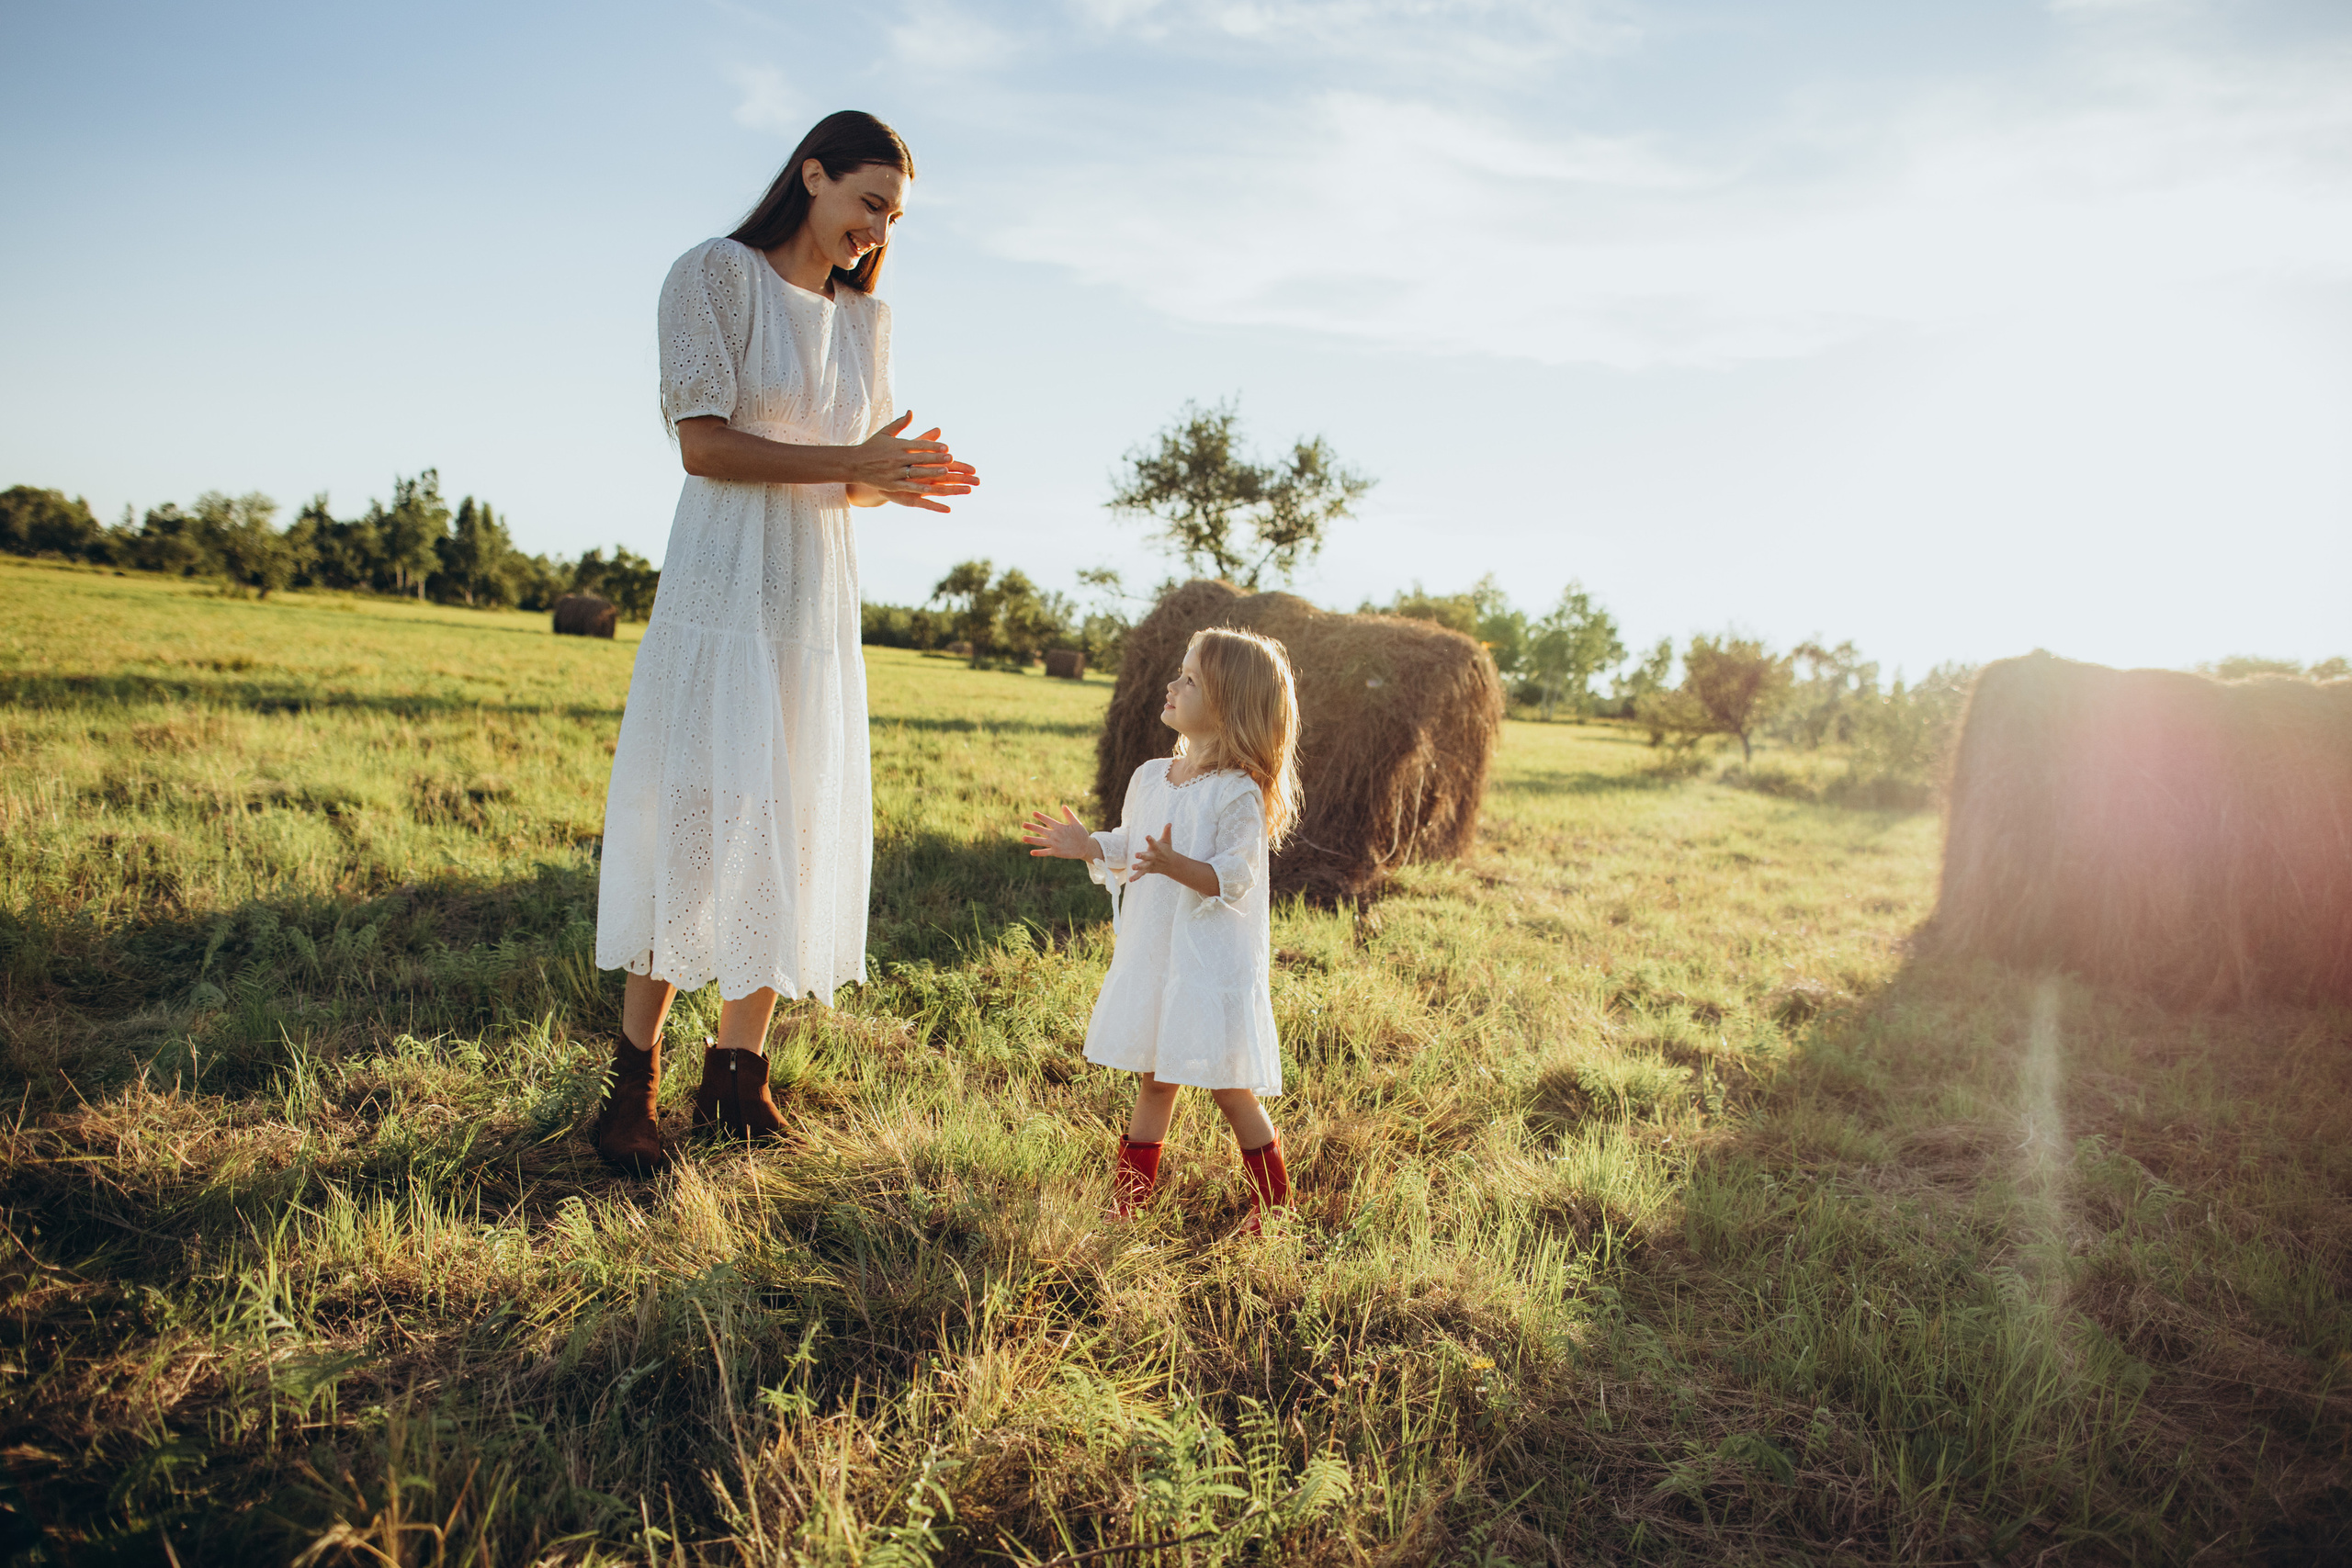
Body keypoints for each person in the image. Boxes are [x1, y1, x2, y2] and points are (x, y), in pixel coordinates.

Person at [589, 110, 978, 1173]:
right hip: (723, 586)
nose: (876, 228)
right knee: (697, 819)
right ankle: (633, 1082)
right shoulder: (714, 275)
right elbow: (704, 447)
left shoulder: (865, 320)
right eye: (868, 203)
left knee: (791, 818)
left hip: (813, 601)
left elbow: (848, 471)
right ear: (811, 175)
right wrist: (850, 462)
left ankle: (738, 1078)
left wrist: (892, 477)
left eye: (893, 217)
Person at [1021, 628, 1302, 1235]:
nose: (1172, 685)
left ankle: (1274, 1204)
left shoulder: (1238, 792)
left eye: (1191, 679)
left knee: (1230, 1087)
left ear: (1230, 703)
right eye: (1179, 673)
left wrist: (1181, 867)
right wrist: (1090, 844)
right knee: (1154, 1079)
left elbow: (1236, 876)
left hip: (1209, 964)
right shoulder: (1152, 775)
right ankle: (1129, 1200)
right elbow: (1132, 846)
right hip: (1157, 953)